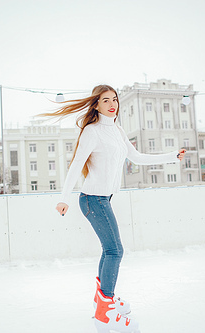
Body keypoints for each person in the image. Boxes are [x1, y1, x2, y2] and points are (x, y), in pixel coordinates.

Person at [41, 84, 185, 333]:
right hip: (92, 199)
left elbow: (137, 157)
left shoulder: (117, 130)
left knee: (110, 250)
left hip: (103, 198)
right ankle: (105, 311)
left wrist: (172, 156)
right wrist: (63, 198)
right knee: (114, 251)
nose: (112, 104)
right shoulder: (92, 131)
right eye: (105, 100)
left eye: (115, 99)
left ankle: (103, 300)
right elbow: (76, 164)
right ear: (96, 105)